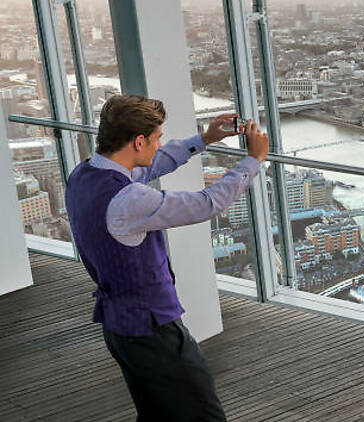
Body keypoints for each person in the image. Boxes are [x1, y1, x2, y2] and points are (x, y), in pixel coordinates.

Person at [64, 95, 268, 421]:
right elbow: (205, 204)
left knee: (156, 415)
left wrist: (205, 139)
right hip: (153, 330)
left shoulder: (84, 174)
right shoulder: (128, 200)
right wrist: (253, 160)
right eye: (157, 138)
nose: (160, 144)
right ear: (138, 140)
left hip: (119, 327)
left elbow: (150, 167)